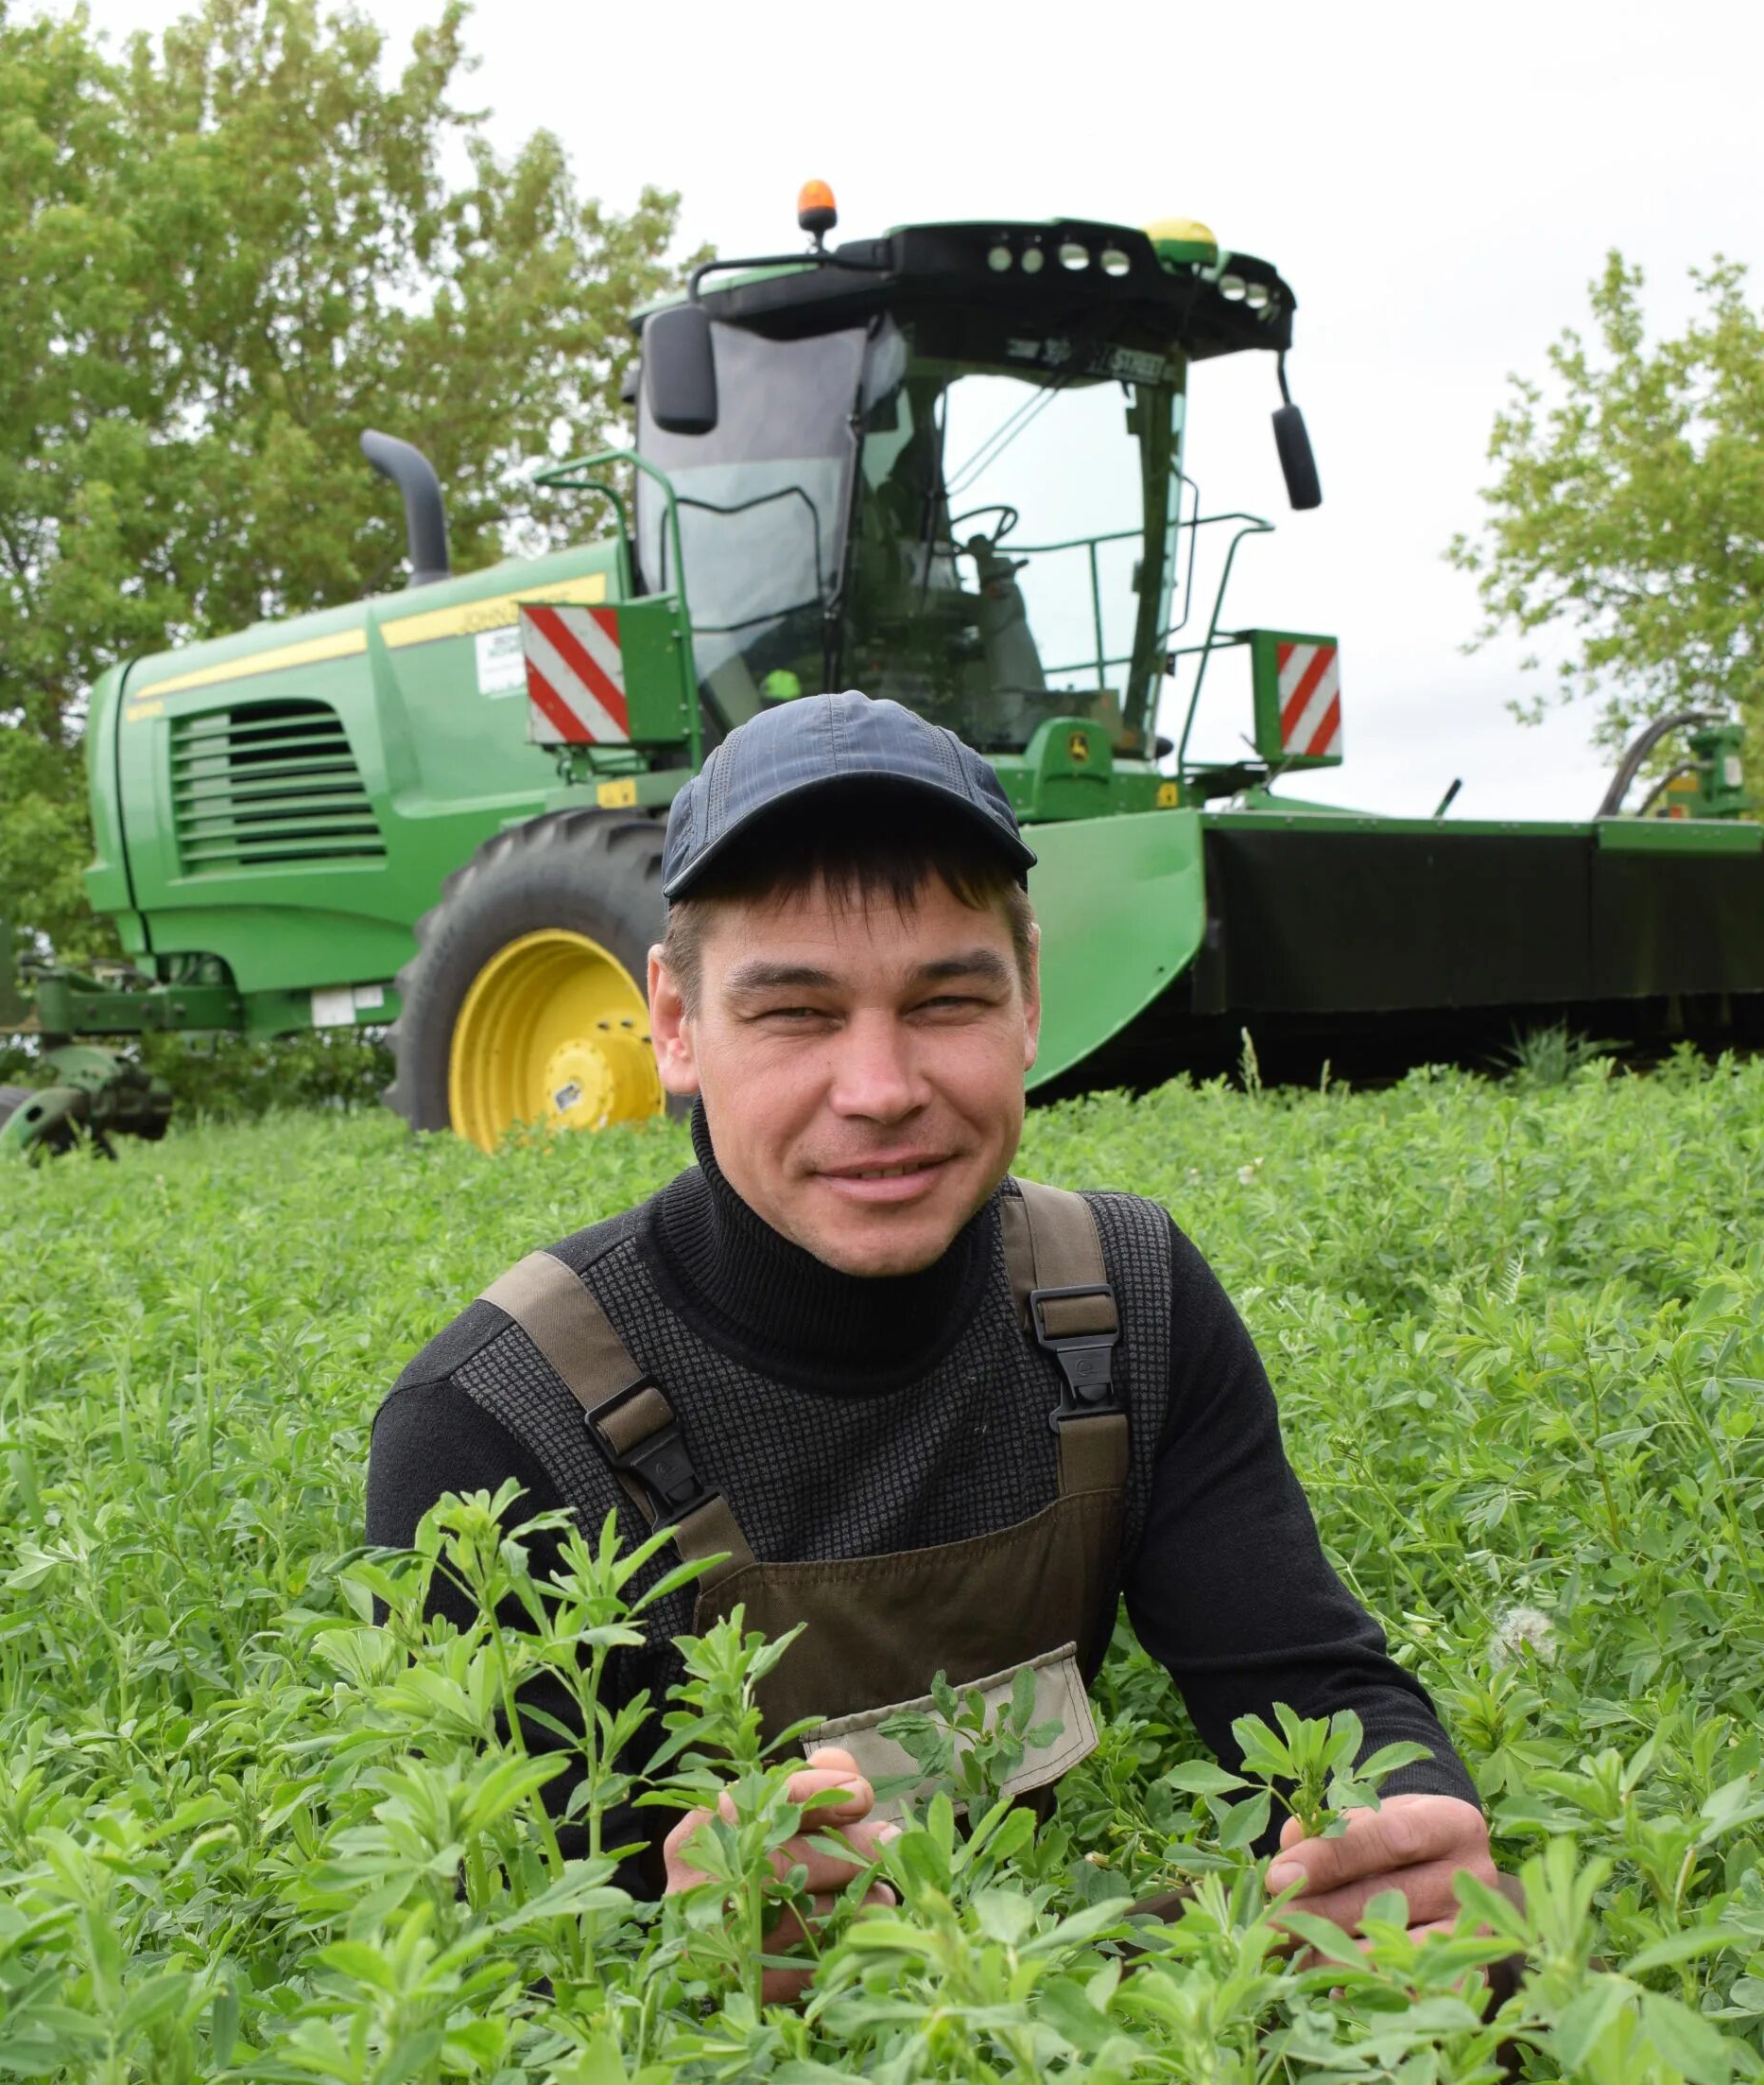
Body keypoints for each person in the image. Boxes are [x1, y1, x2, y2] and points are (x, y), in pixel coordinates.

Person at [368, 691, 1495, 2001]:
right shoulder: (499, 1419)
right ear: (674, 1024)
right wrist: (694, 1945)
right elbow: (517, 1976)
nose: (882, 1088)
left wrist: (1396, 1829)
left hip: (1064, 2029)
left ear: (1027, 1005)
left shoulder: (1122, 1297)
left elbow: (1307, 1684)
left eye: (947, 999)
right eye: (795, 1013)